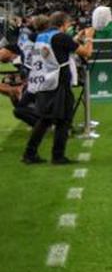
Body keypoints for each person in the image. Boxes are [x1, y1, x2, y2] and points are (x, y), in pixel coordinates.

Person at [23, 11, 93, 165]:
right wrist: (88, 37)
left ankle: (29, 153)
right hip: (58, 83)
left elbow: (59, 48)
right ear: (63, 24)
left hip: (43, 82)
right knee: (64, 120)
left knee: (44, 120)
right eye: (68, 24)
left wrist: (75, 39)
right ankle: (58, 156)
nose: (69, 27)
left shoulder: (41, 36)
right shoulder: (61, 37)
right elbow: (87, 53)